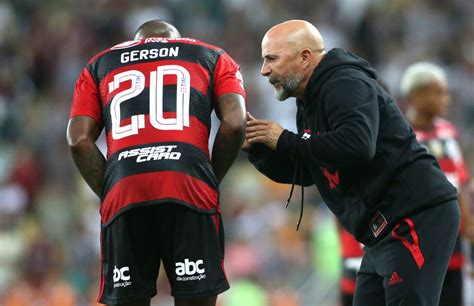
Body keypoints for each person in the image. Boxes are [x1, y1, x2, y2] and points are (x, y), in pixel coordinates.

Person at [244, 19, 459, 305]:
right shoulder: (308, 102)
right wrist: (258, 149)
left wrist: (284, 139)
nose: (264, 70)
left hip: (411, 216)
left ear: (305, 57)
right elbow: (312, 171)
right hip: (381, 232)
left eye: (272, 58)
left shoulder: (344, 82)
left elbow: (357, 145)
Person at [67, 20, 246, 306]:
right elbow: (236, 123)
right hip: (188, 183)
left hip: (124, 189)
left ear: (137, 41)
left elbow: (78, 140)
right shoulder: (211, 56)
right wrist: (209, 177)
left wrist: (111, 189)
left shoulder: (100, 64)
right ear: (176, 39)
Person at [401, 62, 473, 306]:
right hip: (423, 243)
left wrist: (469, 225)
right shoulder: (403, 136)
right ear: (417, 96)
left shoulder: (448, 132)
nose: (446, 99)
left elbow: (460, 182)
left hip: (455, 242)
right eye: (439, 92)